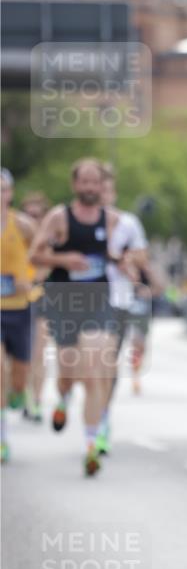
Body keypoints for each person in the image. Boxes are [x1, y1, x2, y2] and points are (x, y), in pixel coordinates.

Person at [29, 158, 124, 476]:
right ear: (75, 185)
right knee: (70, 370)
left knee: (96, 372)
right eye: (83, 182)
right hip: (63, 301)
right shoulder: (59, 217)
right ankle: (62, 398)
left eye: (94, 182)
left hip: (98, 301)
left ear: (102, 185)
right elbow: (35, 255)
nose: (89, 188)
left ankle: (91, 444)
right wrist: (63, 258)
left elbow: (122, 254)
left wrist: (122, 260)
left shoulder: (112, 220)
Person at [97, 165, 150, 451]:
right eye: (96, 190)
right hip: (80, 302)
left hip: (116, 302)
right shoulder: (74, 220)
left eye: (106, 190)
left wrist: (123, 258)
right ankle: (66, 398)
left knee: (107, 364)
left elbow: (142, 258)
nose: (102, 196)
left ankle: (102, 419)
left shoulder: (128, 223)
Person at [0, 169, 37, 462]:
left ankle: (19, 391)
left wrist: (32, 280)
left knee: (19, 376)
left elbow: (43, 256)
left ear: (10, 193)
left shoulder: (23, 226)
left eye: (3, 189)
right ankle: (2, 438)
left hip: (20, 307)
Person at [20, 191, 51, 423]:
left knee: (39, 352)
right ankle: (22, 392)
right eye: (28, 214)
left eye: (37, 214)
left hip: (41, 296)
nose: (32, 218)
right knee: (19, 356)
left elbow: (47, 268)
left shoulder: (48, 239)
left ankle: (37, 401)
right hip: (15, 298)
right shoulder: (15, 235)